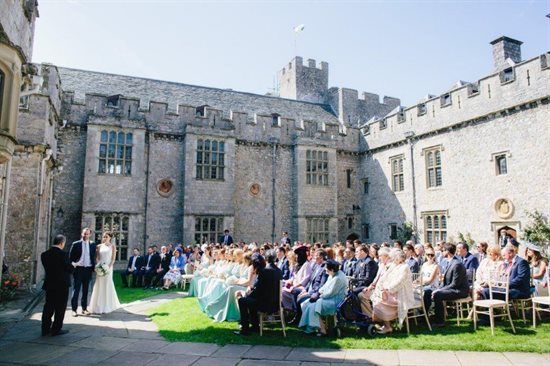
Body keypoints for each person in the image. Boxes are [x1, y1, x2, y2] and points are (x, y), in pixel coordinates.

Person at [361, 249, 414, 334]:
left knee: (380, 302)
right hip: (391, 292)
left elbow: (399, 282)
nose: (393, 260)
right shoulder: (394, 266)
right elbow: (385, 278)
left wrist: (388, 289)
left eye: (394, 258)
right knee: (376, 298)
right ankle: (383, 324)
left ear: (398, 258)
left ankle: (387, 327)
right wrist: (381, 287)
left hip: (400, 294)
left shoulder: (405, 267)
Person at [234, 251, 283, 336]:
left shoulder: (264, 271)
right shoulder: (279, 271)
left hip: (264, 304)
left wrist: (248, 294)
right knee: (250, 300)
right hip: (275, 304)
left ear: (266, 259)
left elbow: (258, 289)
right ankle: (255, 326)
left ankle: (244, 329)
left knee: (242, 301)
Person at [423, 243, 469, 327]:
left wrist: (439, 290)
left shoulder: (456, 264)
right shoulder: (448, 262)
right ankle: (425, 317)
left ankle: (440, 322)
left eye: (443, 251)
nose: (441, 253)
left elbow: (455, 284)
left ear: (447, 252)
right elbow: (444, 282)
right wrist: (438, 289)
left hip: (460, 290)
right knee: (429, 292)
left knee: (438, 295)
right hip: (452, 288)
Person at [299, 259, 347, 336]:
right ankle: (311, 327)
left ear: (332, 269)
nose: (325, 270)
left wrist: (318, 296)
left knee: (313, 307)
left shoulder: (338, 278)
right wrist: (317, 293)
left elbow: (330, 294)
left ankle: (322, 330)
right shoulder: (332, 274)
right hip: (327, 298)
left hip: (334, 301)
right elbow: (324, 287)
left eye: (326, 268)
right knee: (305, 304)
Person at [41, 234, 73, 336]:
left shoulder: (44, 254)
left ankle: (45, 329)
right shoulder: (63, 255)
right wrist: (73, 266)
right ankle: (56, 329)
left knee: (48, 307)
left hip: (49, 284)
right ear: (62, 243)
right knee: (60, 308)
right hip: (62, 285)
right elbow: (70, 269)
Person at [89, 232, 121, 314]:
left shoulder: (113, 246)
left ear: (110, 238)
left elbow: (113, 259)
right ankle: (98, 305)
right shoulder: (99, 246)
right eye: (103, 237)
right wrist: (98, 266)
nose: (104, 238)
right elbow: (97, 258)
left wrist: (108, 268)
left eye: (106, 237)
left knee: (107, 285)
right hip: (100, 267)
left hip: (108, 268)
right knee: (99, 285)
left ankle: (107, 305)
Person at [69, 228, 96, 316]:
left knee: (86, 290)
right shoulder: (76, 244)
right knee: (76, 289)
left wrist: (94, 266)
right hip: (78, 269)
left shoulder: (92, 244)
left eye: (87, 234)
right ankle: (74, 310)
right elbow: (70, 258)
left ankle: (84, 309)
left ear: (90, 235)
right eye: (84, 234)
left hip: (88, 269)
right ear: (82, 234)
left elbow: (93, 257)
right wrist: (74, 264)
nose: (85, 235)